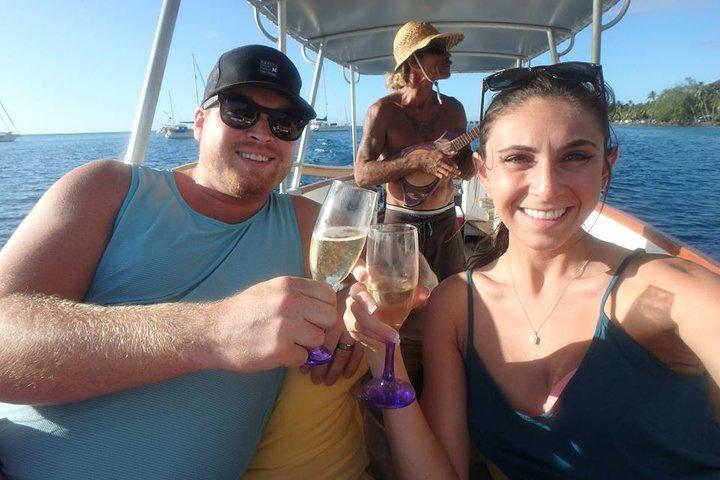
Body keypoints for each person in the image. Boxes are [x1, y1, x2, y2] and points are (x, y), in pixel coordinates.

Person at [0, 45, 368, 480]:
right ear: (199, 121)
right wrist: (212, 331)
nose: (263, 133)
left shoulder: (306, 222)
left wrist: (354, 300)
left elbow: (391, 273)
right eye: (239, 111)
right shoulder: (109, 189)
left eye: (284, 123)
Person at [344, 62, 720, 479]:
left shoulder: (666, 293)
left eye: (575, 156)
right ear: (483, 173)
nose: (546, 187)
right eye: (518, 158)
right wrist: (383, 352)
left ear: (606, 166)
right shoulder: (456, 304)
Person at [354, 20, 476, 282]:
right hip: (399, 224)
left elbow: (466, 170)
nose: (449, 56)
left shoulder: (454, 110)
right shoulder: (383, 112)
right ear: (412, 61)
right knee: (399, 308)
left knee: (451, 298)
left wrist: (485, 154)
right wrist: (418, 161)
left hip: (445, 222)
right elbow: (362, 174)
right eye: (439, 49)